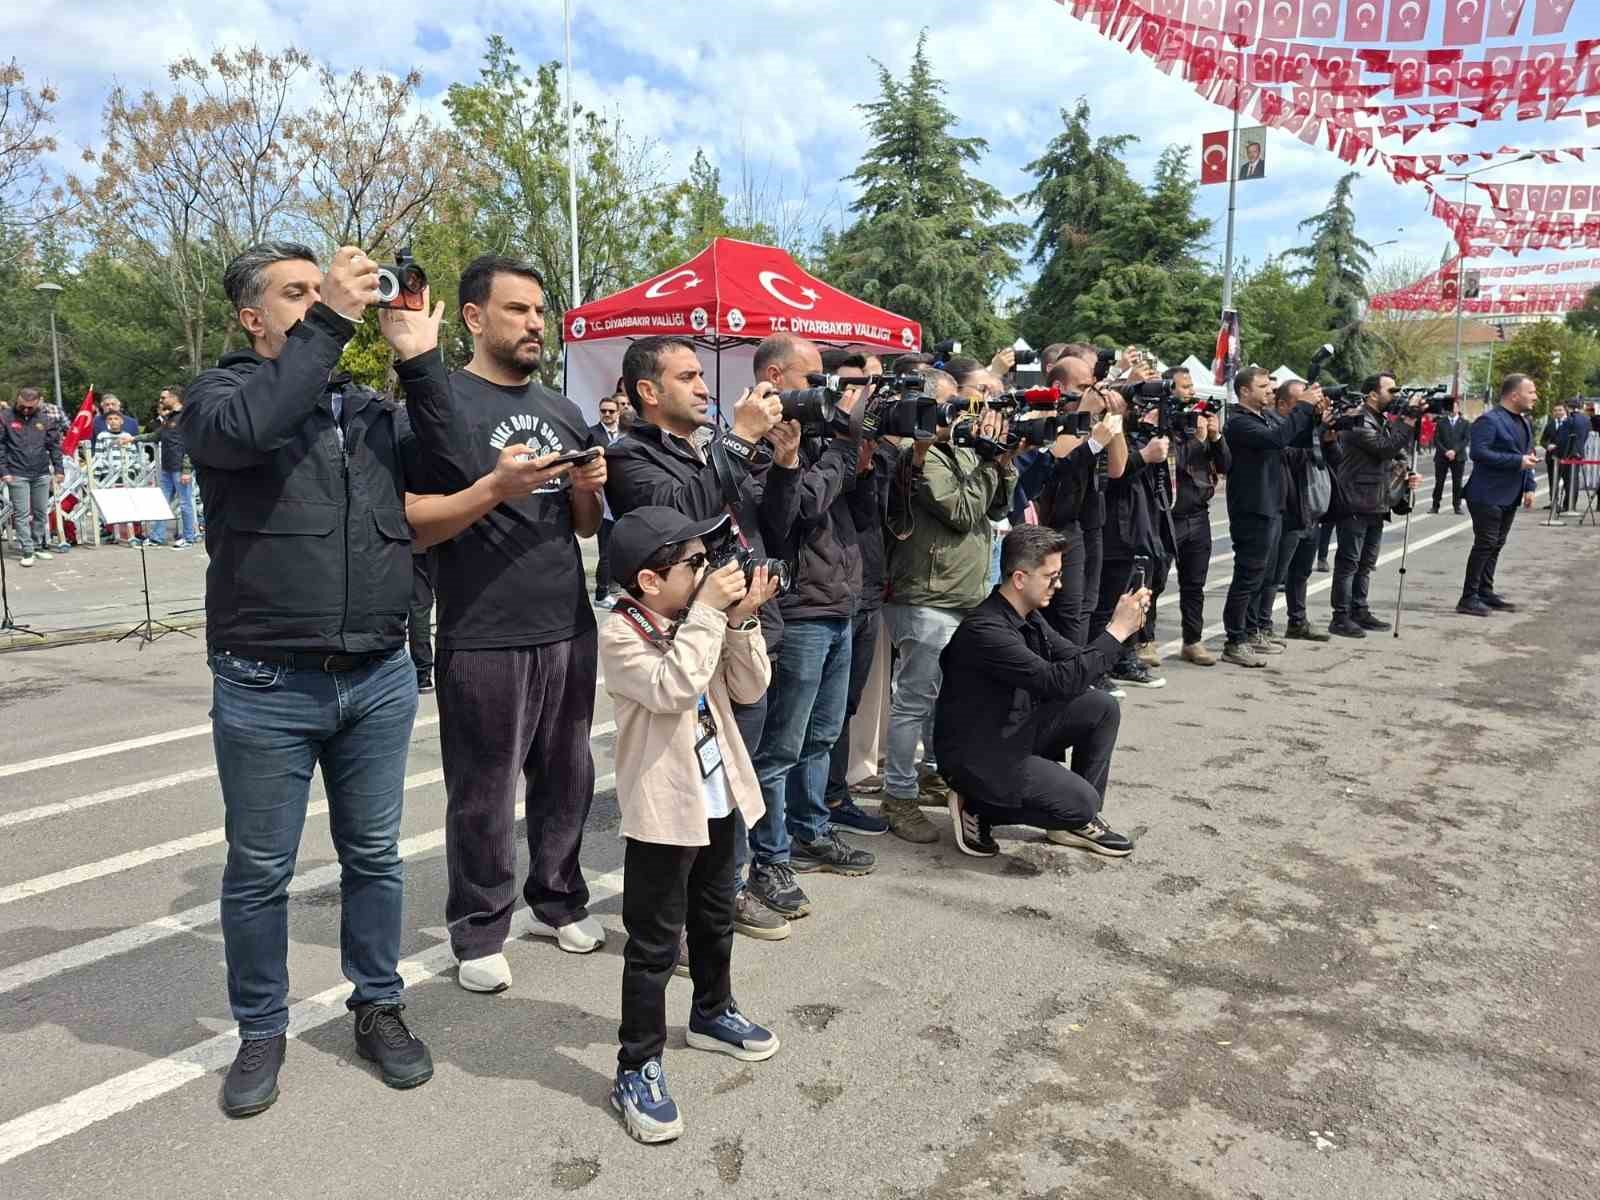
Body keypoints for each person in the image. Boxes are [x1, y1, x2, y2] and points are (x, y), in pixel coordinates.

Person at [182, 240, 490, 1116]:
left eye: (324, 292)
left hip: (377, 676)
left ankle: (378, 1005)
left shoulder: (366, 410)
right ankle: (260, 1028)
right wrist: (333, 321)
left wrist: (421, 361)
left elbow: (458, 468)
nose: (321, 304)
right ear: (253, 317)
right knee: (259, 871)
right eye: (299, 294)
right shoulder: (219, 397)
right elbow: (252, 429)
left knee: (374, 858)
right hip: (265, 682)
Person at [399, 253, 612, 991]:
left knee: (568, 776)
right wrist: (495, 487)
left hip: (567, 622)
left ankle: (558, 897)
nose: (534, 324)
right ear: (473, 316)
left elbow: (584, 526)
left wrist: (587, 487)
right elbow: (415, 523)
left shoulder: (563, 410)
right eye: (518, 309)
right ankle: (480, 928)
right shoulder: (438, 403)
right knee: (483, 792)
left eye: (539, 311)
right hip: (483, 630)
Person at [603, 334, 801, 941]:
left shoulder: (709, 447)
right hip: (686, 642)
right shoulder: (629, 457)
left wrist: (784, 462)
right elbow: (679, 515)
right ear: (648, 390)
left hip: (741, 627)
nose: (703, 387)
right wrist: (738, 441)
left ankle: (725, 893)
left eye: (701, 375)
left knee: (735, 780)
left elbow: (773, 522)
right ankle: (681, 923)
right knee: (688, 793)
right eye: (687, 376)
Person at [600, 507, 782, 1144]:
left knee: (715, 916)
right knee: (653, 946)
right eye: (694, 564)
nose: (708, 572)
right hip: (664, 811)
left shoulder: (693, 620)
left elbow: (752, 687)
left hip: (718, 794)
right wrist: (708, 613)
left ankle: (712, 1012)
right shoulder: (621, 633)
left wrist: (740, 620)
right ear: (650, 580)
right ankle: (637, 1065)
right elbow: (674, 687)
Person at [744, 333, 875, 916]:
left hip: (839, 604)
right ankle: (769, 856)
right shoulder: (756, 440)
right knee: (781, 747)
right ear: (775, 376)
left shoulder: (820, 434)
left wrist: (854, 445)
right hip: (798, 613)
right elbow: (796, 512)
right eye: (812, 377)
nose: (824, 389)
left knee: (821, 737)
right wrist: (832, 451)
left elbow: (859, 509)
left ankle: (811, 829)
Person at [934, 525, 1146, 859]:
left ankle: (1077, 821)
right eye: (1051, 576)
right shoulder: (985, 630)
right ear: (1020, 578)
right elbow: (1056, 681)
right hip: (978, 757)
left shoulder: (1028, 616)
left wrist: (1120, 628)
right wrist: (1116, 632)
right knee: (1081, 802)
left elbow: (1076, 663)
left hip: (1013, 732)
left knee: (1101, 706)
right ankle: (976, 805)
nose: (1058, 584)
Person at [880, 369, 1017, 843]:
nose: (960, 414)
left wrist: (1002, 461)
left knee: (946, 700)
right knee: (913, 702)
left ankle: (932, 773)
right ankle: (898, 796)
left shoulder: (961, 449)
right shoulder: (917, 453)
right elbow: (960, 511)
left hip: (962, 594)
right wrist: (988, 462)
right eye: (949, 406)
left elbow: (997, 509)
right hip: (926, 595)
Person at [821, 350, 894, 838]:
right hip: (826, 593)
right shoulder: (813, 442)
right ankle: (816, 804)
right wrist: (845, 455)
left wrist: (869, 467)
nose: (863, 396)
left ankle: (833, 794)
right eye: (851, 386)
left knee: (845, 705)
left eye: (870, 386)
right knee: (817, 716)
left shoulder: (874, 447)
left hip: (865, 586)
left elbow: (877, 517)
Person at [1221, 366, 1326, 667]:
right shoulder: (1239, 422)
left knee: (1265, 576)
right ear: (1244, 391)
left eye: (1270, 385)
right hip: (1253, 510)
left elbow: (1294, 439)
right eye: (1263, 386)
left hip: (1272, 506)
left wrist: (1316, 418)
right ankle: (1234, 641)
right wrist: (1302, 405)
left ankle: (1252, 631)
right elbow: (1278, 438)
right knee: (1247, 576)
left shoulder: (1262, 417)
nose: (1270, 390)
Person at [1329, 373, 1420, 639]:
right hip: (1355, 500)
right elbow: (1384, 448)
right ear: (1372, 394)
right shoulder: (1358, 420)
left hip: (1377, 500)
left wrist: (1407, 473)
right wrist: (1408, 420)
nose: (1396, 396)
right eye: (1391, 391)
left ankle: (1359, 610)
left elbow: (1395, 455)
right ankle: (1340, 617)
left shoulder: (1381, 419)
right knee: (1349, 563)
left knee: (1366, 563)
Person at [1161, 369, 1229, 666]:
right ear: (1169, 389)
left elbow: (1225, 465)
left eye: (1191, 386)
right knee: (1155, 582)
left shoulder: (1199, 420)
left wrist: (1215, 436)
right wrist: (1198, 439)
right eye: (1185, 386)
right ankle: (1144, 641)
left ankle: (1192, 641)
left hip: (1198, 515)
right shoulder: (1163, 422)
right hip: (1168, 516)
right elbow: (1176, 463)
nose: (1191, 391)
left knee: (1194, 584)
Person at [1457, 374, 1538, 617]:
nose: (1535, 397)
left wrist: (1530, 486)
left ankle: (1485, 591)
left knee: (1496, 544)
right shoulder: (1489, 420)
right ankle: (1468, 597)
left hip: (1510, 494)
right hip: (1486, 494)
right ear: (1514, 395)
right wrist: (1517, 461)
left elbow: (1528, 455)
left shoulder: (1524, 422)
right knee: (1485, 544)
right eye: (1531, 392)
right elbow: (1479, 453)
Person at [1, 386, 64, 566]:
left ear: (39, 403)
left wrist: (59, 469)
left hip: (41, 472)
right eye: (23, 406)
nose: (26, 410)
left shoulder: (46, 419)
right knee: (21, 513)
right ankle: (27, 550)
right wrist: (3, 471)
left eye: (31, 407)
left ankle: (37, 545)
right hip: (16, 472)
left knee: (40, 512)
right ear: (17, 400)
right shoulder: (5, 417)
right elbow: (0, 446)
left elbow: (54, 446)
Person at [137, 387, 199, 548]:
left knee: (185, 504)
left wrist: (187, 470)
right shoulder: (169, 418)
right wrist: (133, 439)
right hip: (167, 468)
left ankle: (189, 537)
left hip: (180, 468)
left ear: (174, 397)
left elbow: (190, 444)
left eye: (163, 398)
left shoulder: (186, 417)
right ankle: (157, 536)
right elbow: (155, 435)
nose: (161, 401)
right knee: (162, 503)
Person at [589, 394, 627, 604]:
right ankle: (601, 593)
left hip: (623, 498)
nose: (607, 414)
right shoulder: (591, 434)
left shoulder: (626, 433)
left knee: (620, 547)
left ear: (618, 412)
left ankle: (615, 586)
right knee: (605, 550)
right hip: (603, 501)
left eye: (611, 411)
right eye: (603, 411)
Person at [1431, 396, 1470, 515]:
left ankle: (1457, 506)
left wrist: (1454, 451)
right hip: (1442, 457)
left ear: (1458, 408)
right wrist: (1446, 452)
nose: (1452, 409)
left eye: (1454, 406)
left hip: (1458, 457)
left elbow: (1466, 440)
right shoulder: (1441, 422)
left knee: (1457, 483)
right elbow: (1436, 440)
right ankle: (1435, 505)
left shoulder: (1465, 423)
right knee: (1439, 482)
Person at [1541, 403, 1567, 505]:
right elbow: (1543, 440)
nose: (1557, 412)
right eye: (1555, 410)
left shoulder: (1569, 423)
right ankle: (1553, 502)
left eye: (1560, 410)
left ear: (1565, 411)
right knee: (1552, 480)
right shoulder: (1550, 424)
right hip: (1551, 457)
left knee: (1567, 481)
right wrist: (1547, 446)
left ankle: (1567, 504)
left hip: (1565, 458)